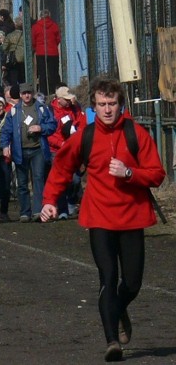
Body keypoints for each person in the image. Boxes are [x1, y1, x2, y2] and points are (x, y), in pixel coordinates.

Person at [40, 79, 165, 362]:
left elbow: (157, 174)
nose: (107, 110)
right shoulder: (85, 136)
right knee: (108, 277)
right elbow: (61, 168)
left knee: (132, 283)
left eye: (112, 104)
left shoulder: (137, 134)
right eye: (102, 105)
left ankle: (119, 309)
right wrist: (49, 201)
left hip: (133, 217)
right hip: (99, 218)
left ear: (121, 105)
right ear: (94, 107)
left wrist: (130, 173)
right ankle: (112, 342)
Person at [0, 82, 56, 222]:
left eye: (29, 93)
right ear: (20, 95)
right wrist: (5, 146)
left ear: (32, 93)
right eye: (24, 93)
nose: (27, 95)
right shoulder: (14, 111)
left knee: (38, 179)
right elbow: (6, 130)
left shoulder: (41, 108)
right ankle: (25, 212)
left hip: (38, 149)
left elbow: (53, 124)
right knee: (22, 182)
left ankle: (38, 210)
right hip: (20, 151)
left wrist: (41, 128)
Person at [47, 86, 86, 219]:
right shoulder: (50, 111)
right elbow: (49, 134)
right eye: (66, 99)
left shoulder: (75, 109)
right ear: (58, 99)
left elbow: (81, 124)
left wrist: (76, 140)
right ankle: (63, 209)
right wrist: (61, 144)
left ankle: (71, 201)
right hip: (56, 150)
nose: (69, 102)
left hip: (72, 148)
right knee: (60, 179)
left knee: (75, 179)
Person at [31, 9, 62, 95]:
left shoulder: (35, 27)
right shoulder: (54, 25)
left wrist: (36, 48)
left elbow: (33, 40)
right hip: (53, 52)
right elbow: (58, 39)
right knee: (53, 72)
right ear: (49, 15)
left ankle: (43, 92)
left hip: (40, 52)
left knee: (42, 73)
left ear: (40, 16)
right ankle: (54, 91)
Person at [1, 17, 26, 87]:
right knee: (23, 78)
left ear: (15, 25)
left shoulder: (10, 35)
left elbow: (4, 47)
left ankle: (14, 91)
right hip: (24, 58)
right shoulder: (26, 35)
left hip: (13, 58)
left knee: (13, 78)